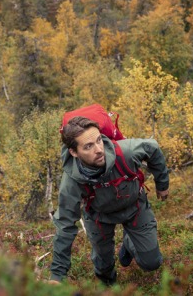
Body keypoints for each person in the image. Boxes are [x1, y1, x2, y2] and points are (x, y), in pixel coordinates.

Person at [49, 116, 169, 286]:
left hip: (134, 207)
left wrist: (162, 183)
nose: (99, 150)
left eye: (99, 140)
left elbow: (153, 148)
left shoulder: (125, 152)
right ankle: (109, 288)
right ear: (74, 152)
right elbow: (65, 225)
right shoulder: (71, 182)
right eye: (88, 146)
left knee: (152, 262)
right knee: (103, 266)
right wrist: (57, 275)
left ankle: (129, 242)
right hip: (99, 216)